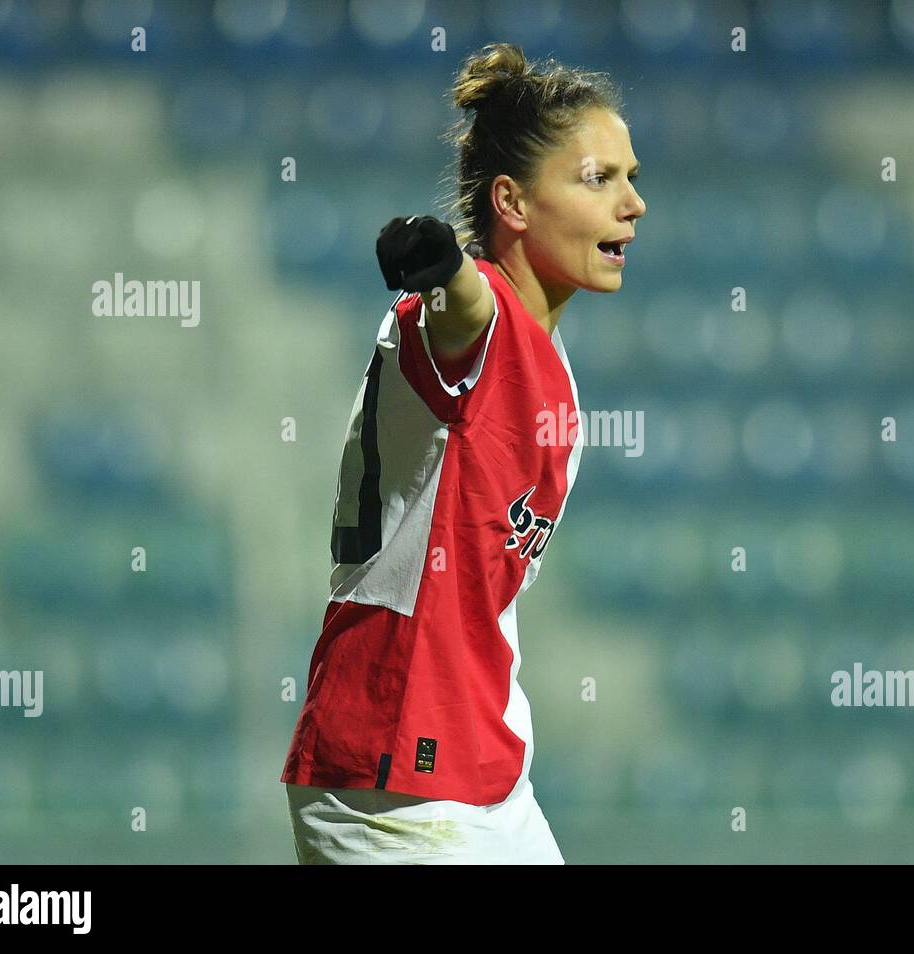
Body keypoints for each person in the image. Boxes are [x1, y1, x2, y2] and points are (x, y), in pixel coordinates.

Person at [280, 42, 646, 864]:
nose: (634, 204)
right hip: (397, 771)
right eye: (600, 179)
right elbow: (459, 308)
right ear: (511, 202)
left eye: (631, 175)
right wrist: (435, 259)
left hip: (483, 766)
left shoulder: (549, 368)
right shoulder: (469, 327)